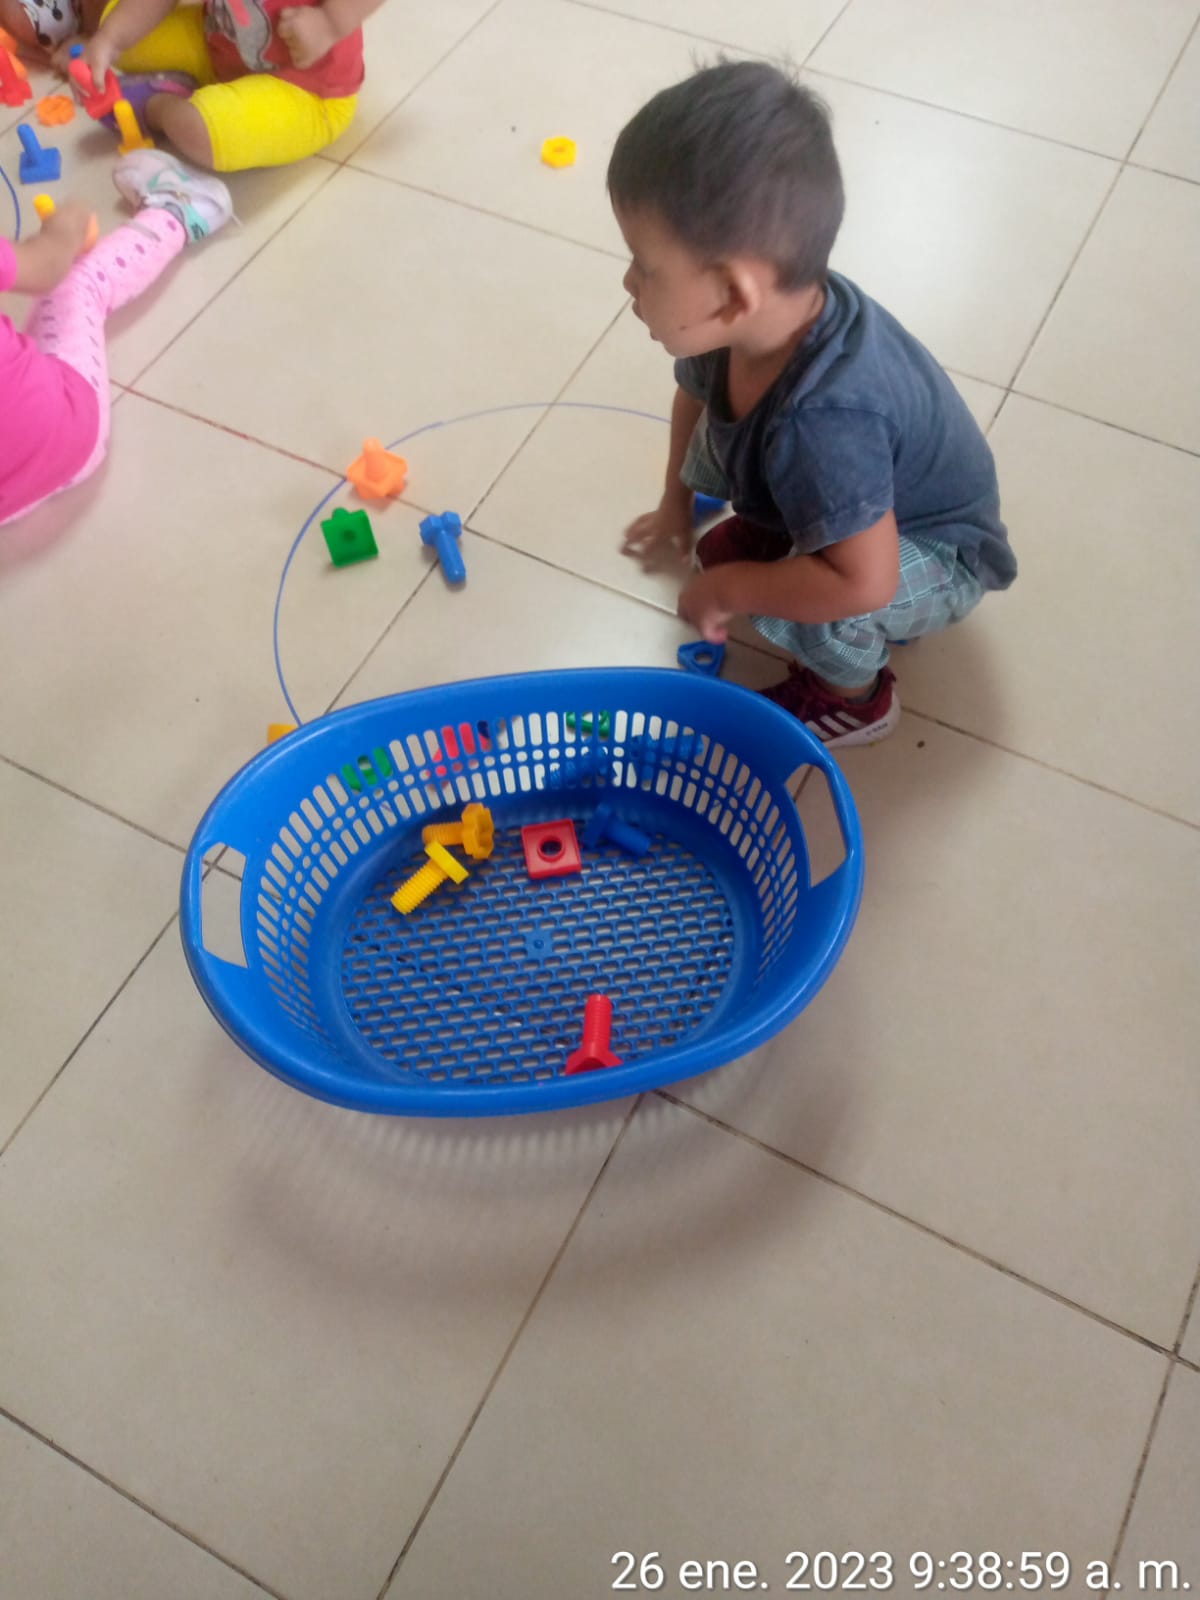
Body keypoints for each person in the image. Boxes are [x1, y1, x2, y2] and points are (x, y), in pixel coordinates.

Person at [609, 60, 1017, 747]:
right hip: (861, 510)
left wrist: (734, 590)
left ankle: (855, 700)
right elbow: (692, 399)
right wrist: (675, 503)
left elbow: (865, 583)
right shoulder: (757, 317)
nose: (627, 282)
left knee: (823, 609)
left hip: (936, 553)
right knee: (721, 427)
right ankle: (783, 537)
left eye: (643, 266)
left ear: (733, 293)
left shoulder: (827, 423)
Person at [1, 151, 232, 527]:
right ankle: (180, 211)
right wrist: (67, 224)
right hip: (64, 442)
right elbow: (47, 267)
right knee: (74, 284)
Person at [57, 0, 383, 173]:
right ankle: (199, 91)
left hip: (306, 90)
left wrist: (329, 23)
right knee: (116, 22)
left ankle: (158, 106)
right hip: (218, 47)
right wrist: (108, 42)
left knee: (198, 131)